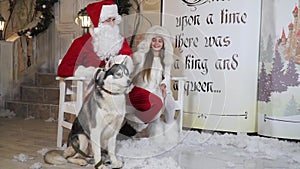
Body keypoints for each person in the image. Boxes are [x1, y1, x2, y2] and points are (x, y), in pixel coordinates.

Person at [57, 0, 132, 78]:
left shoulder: (119, 40)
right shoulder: (80, 43)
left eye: (113, 20)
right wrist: (92, 73)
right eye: (108, 20)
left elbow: (129, 62)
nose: (112, 24)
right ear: (98, 23)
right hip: (90, 87)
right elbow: (63, 69)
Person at [125, 25, 177, 136]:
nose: (157, 43)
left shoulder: (165, 59)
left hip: (159, 87)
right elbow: (133, 72)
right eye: (154, 40)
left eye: (160, 41)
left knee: (170, 103)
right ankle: (139, 126)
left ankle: (169, 131)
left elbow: (167, 76)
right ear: (149, 42)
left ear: (163, 44)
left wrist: (164, 84)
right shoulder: (143, 56)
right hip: (144, 87)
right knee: (156, 104)